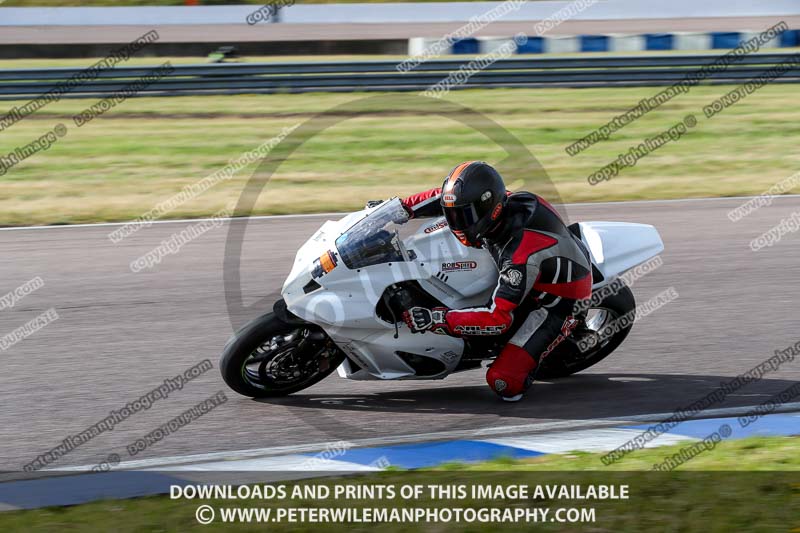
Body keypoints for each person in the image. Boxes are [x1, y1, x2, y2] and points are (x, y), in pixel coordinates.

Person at [398, 161, 592, 401]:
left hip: (556, 303)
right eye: (453, 214)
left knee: (504, 383)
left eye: (464, 215)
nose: (455, 222)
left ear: (493, 210)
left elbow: (497, 319)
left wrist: (437, 318)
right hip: (548, 260)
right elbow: (442, 197)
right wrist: (400, 208)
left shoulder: (519, 256)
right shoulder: (499, 202)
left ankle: (538, 349)